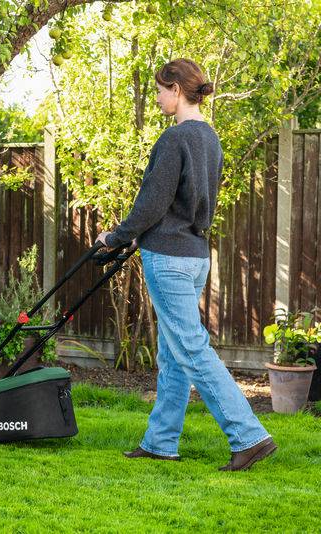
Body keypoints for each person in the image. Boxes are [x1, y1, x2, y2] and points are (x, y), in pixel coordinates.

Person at [96, 59, 276, 471]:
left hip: (169, 258)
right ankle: (161, 441)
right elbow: (195, 204)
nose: (158, 97)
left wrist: (116, 236)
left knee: (192, 349)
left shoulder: (174, 140)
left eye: (160, 89)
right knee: (175, 354)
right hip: (195, 256)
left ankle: (249, 435)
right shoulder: (211, 140)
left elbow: (152, 204)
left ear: (176, 90)